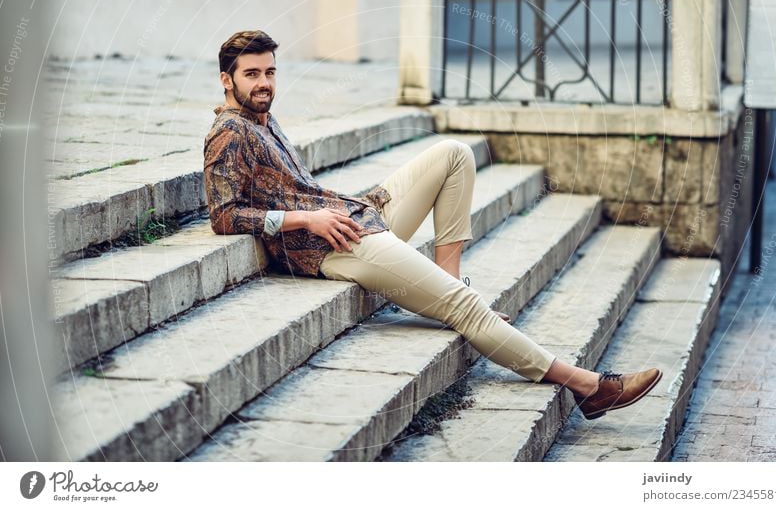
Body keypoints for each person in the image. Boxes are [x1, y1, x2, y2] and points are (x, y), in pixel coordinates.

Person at [203, 30, 662, 420]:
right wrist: (307, 218)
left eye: (269, 72)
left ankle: (446, 282)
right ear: (227, 80)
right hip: (328, 245)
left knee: (453, 154)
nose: (264, 83)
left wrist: (333, 209)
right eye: (251, 74)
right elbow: (224, 215)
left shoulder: (264, 117)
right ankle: (588, 386)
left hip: (350, 217)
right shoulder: (230, 131)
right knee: (465, 308)